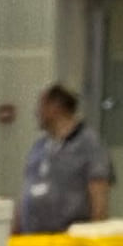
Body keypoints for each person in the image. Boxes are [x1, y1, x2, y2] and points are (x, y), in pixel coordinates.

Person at [18, 84, 113, 233]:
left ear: (56, 107)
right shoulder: (39, 147)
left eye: (41, 106)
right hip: (33, 238)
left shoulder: (89, 144)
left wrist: (96, 233)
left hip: (69, 239)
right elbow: (27, 190)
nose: (37, 112)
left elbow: (99, 195)